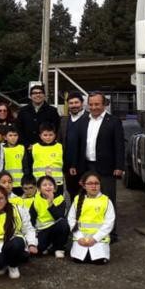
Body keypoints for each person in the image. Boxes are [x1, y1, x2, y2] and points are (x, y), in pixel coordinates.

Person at [72, 92, 124, 240]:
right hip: (86, 167)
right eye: (91, 104)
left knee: (108, 200)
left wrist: (119, 166)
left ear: (104, 104)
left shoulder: (113, 121)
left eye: (97, 104)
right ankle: (85, 230)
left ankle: (111, 233)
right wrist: (75, 164)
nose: (94, 107)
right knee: (85, 199)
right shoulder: (83, 121)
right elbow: (78, 145)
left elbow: (119, 145)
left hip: (106, 168)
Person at [67, 171, 115, 264]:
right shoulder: (77, 199)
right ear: (84, 186)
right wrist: (79, 237)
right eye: (90, 183)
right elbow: (71, 219)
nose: (94, 186)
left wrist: (95, 239)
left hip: (98, 240)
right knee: (79, 260)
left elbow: (109, 223)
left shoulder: (106, 201)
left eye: (96, 183)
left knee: (98, 261)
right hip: (81, 240)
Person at [29, 175, 69, 258]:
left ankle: (59, 248)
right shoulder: (36, 200)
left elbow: (59, 216)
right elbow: (31, 219)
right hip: (42, 229)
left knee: (63, 223)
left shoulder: (60, 199)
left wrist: (50, 203)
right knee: (37, 252)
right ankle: (49, 246)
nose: (48, 187)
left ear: (54, 188)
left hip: (55, 226)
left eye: (50, 185)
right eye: (44, 185)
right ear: (39, 189)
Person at [58, 91, 86, 197]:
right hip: (68, 166)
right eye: (71, 103)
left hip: (85, 165)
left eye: (76, 102)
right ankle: (75, 213)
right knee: (72, 192)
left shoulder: (89, 119)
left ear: (82, 103)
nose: (74, 105)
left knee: (86, 193)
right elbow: (60, 142)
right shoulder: (64, 121)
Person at [26, 123, 65, 194]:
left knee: (57, 203)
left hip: (56, 183)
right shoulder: (35, 147)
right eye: (45, 135)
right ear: (40, 136)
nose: (48, 137)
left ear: (55, 135)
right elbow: (29, 164)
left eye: (50, 135)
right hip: (39, 182)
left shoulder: (59, 147)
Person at [0, 126, 25, 195]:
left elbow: (25, 166)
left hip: (20, 183)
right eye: (10, 135)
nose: (13, 137)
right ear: (5, 137)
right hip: (6, 184)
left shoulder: (21, 148)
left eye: (15, 135)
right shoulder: (1, 149)